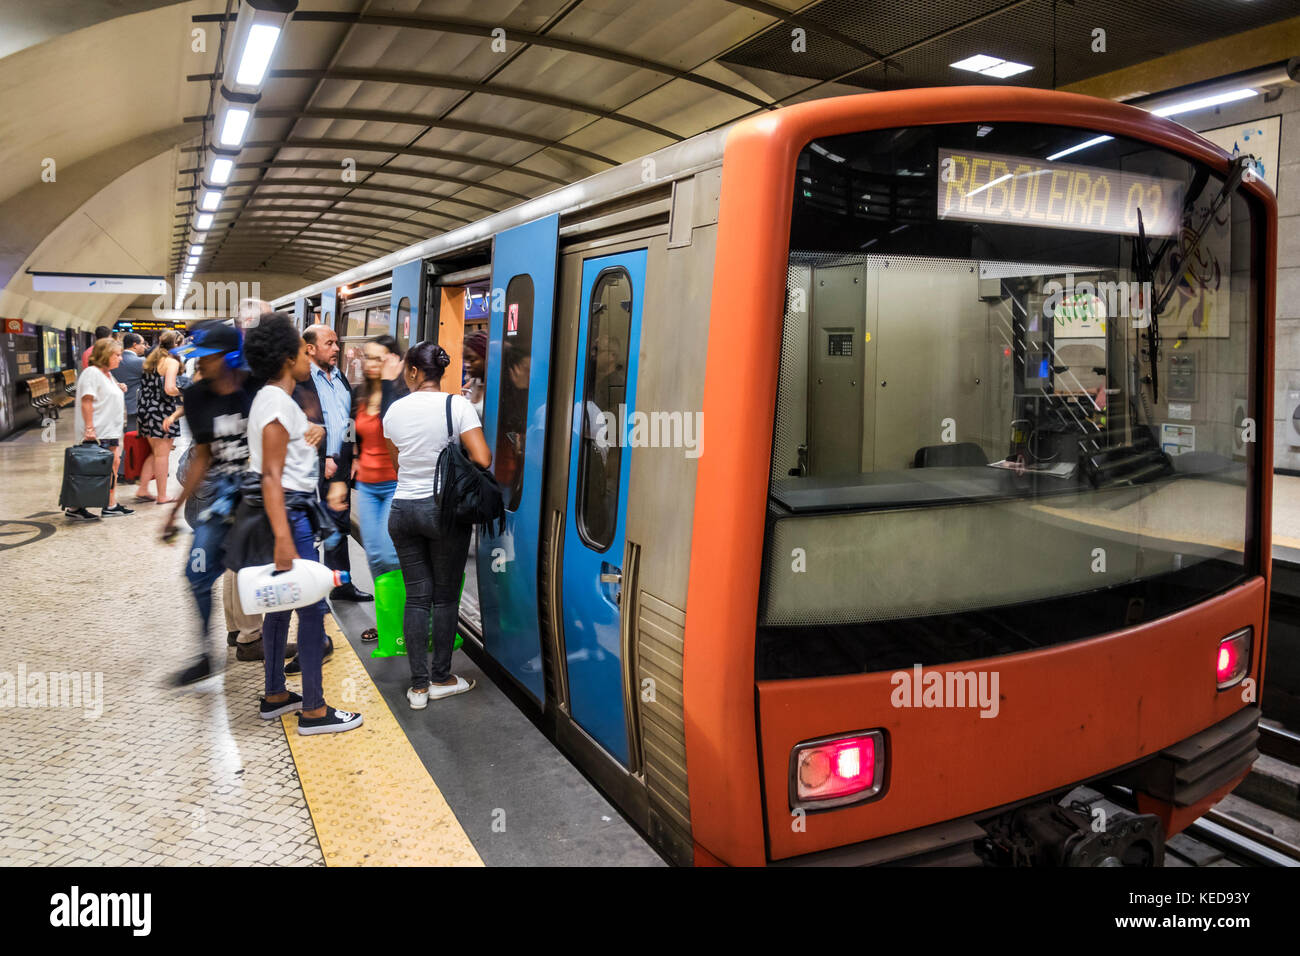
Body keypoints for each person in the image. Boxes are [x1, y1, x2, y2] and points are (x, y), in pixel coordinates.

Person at [225, 313, 362, 735]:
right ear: (288, 358)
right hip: (289, 516)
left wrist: (313, 432)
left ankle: (276, 694)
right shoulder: (277, 404)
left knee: (281, 610)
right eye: (305, 351)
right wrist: (284, 537)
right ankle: (316, 711)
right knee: (310, 608)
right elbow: (271, 474)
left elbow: (283, 452)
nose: (310, 358)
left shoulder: (274, 400)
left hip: (289, 510)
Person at [383, 341, 490, 709]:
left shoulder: (393, 411)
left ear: (413, 371)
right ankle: (442, 677)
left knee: (417, 597)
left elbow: (397, 463)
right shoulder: (456, 405)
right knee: (444, 598)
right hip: (442, 512)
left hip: (402, 511)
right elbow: (482, 457)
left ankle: (418, 688)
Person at [297, 324, 371, 603]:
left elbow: (348, 419)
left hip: (340, 461)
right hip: (314, 463)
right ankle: (313, 589)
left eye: (337, 343)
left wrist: (350, 454)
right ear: (311, 348)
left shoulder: (340, 378)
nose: (337, 348)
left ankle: (341, 584)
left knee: (339, 525)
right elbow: (300, 423)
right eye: (329, 343)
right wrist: (323, 456)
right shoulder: (302, 381)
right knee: (312, 528)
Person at [346, 335, 404, 644]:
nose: (370, 364)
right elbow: (350, 430)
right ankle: (387, 623)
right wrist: (353, 456)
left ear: (393, 360)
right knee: (375, 555)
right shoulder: (359, 394)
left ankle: (399, 623)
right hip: (367, 486)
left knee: (388, 553)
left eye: (378, 358)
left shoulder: (401, 395)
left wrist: (392, 382)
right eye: (367, 357)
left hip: (395, 483)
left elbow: (398, 427)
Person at [68, 338, 133, 520]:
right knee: (106, 466)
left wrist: (118, 387)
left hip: (109, 429)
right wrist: (89, 428)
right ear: (106, 355)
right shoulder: (92, 373)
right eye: (117, 355)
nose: (120, 359)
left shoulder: (107, 374)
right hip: (99, 431)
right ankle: (110, 505)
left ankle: (75, 507)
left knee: (101, 467)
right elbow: (87, 400)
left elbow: (104, 393)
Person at [135, 330, 183, 502]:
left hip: (145, 408)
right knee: (163, 455)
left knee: (155, 453)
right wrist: (185, 392)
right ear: (176, 345)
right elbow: (169, 388)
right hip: (161, 410)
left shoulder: (151, 360)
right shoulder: (171, 362)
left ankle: (142, 489)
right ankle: (162, 495)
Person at [462, 330, 487, 420]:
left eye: (472, 360)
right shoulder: (474, 381)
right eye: (465, 360)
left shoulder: (496, 386)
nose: (467, 365)